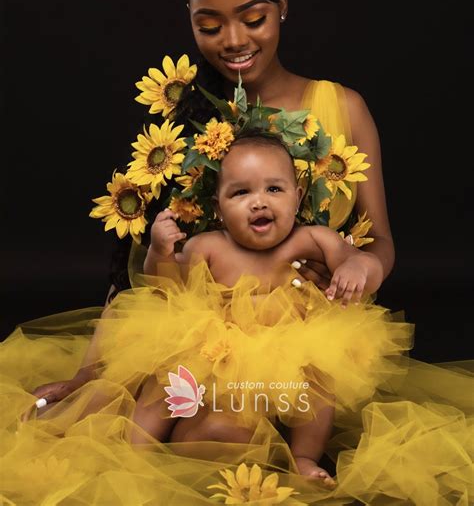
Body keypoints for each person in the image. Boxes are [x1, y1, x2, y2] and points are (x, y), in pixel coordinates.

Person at [29, 0, 394, 407]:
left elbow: (382, 241)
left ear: (281, 5)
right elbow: (145, 273)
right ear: (190, 20)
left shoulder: (343, 107)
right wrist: (89, 373)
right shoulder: (185, 122)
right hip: (204, 349)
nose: (235, 41)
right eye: (210, 25)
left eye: (253, 18)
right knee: (125, 418)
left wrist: (365, 265)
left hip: (311, 348)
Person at [130, 132, 387, 486]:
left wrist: (357, 269)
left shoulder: (312, 239)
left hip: (288, 357)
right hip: (215, 354)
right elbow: (167, 291)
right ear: (218, 208)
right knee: (168, 375)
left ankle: (303, 456)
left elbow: (359, 260)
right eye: (241, 192)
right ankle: (134, 450)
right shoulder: (206, 246)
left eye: (274, 189)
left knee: (320, 375)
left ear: (297, 198)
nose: (259, 203)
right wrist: (159, 252)